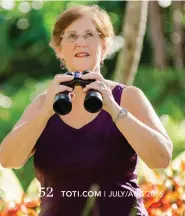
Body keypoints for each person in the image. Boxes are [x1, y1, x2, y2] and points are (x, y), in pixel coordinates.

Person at [0, 4, 173, 216]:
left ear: (104, 46)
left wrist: (114, 109)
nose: (80, 42)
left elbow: (162, 158)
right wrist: (46, 112)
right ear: (59, 49)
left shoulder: (127, 97)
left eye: (89, 34)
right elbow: (8, 159)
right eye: (71, 36)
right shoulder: (42, 105)